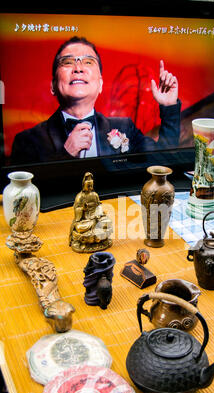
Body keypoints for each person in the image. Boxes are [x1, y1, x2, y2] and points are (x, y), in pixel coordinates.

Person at [11, 36, 181, 162]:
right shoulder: (27, 140)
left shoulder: (124, 127)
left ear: (100, 84)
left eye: (88, 62)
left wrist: (169, 108)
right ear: (53, 86)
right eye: (68, 62)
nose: (78, 68)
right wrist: (66, 154)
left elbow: (162, 160)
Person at [69, 172, 113, 253]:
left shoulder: (95, 195)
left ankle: (97, 236)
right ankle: (94, 237)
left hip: (96, 217)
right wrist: (83, 208)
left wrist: (99, 214)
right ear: (84, 185)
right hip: (85, 219)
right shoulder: (80, 196)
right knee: (79, 227)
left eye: (91, 185)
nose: (90, 187)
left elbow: (98, 206)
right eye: (88, 186)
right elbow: (76, 209)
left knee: (108, 222)